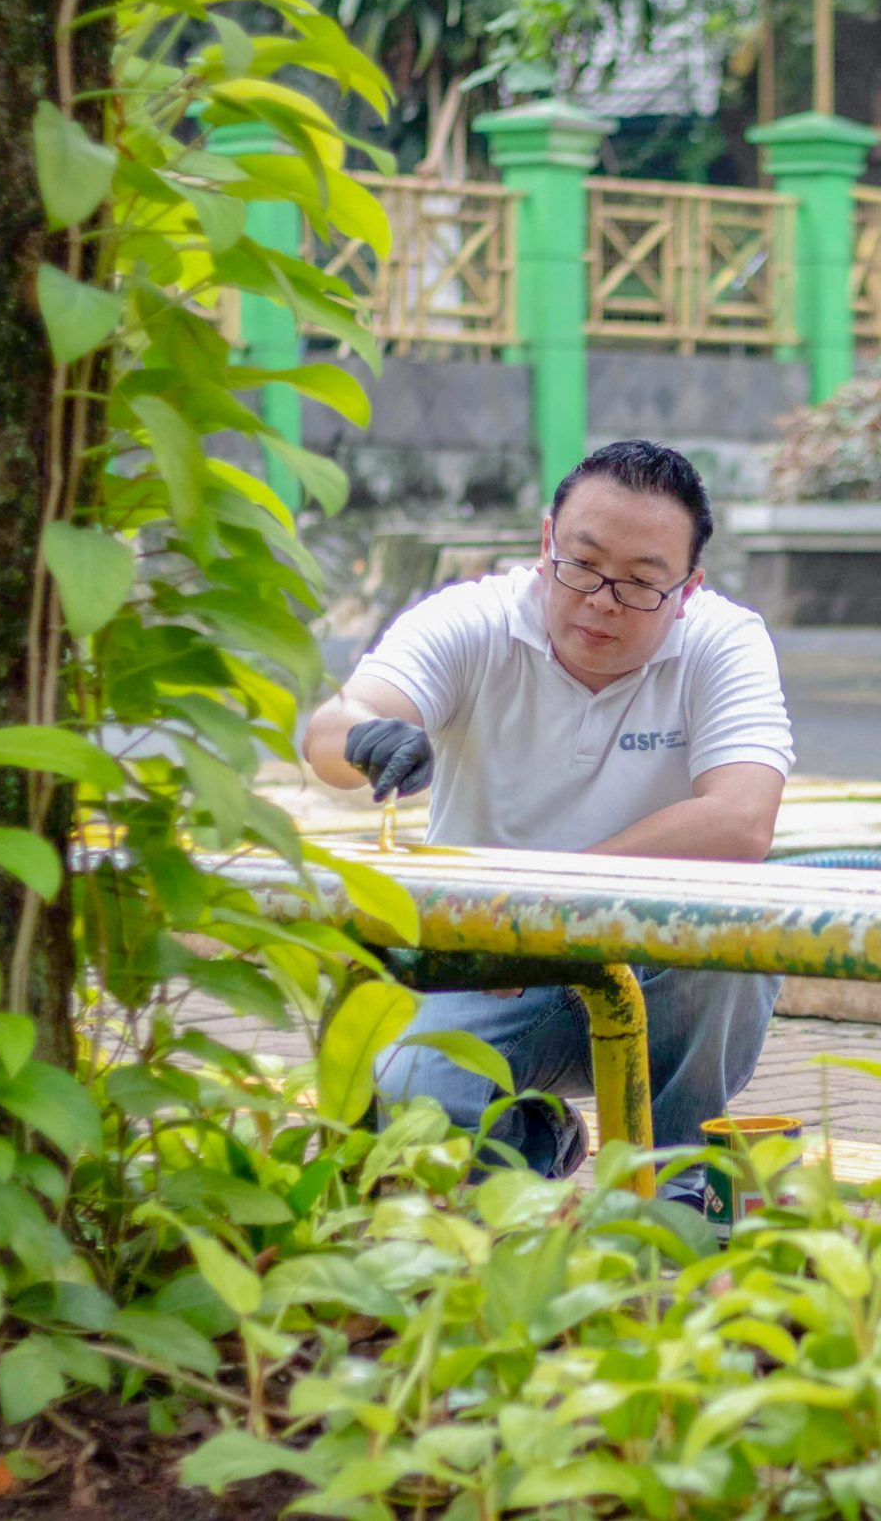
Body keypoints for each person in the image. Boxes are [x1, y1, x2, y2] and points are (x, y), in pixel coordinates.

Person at [303, 439, 794, 1195]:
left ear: (688, 588)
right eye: (582, 564)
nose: (602, 600)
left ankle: (678, 1182)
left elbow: (742, 820)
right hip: (483, 972)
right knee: (410, 1096)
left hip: (649, 955)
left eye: (640, 583)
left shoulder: (724, 641)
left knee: (737, 937)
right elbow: (333, 727)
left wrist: (539, 909)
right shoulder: (475, 619)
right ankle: (532, 1136)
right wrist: (368, 737)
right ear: (545, 543)